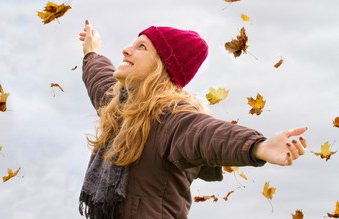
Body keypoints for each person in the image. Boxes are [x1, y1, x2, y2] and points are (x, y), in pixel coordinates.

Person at [78, 20, 308, 219]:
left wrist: (256, 146)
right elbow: (100, 81)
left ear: (162, 67)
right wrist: (91, 52)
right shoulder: (121, 109)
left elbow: (206, 135)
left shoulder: (170, 119)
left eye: (142, 47)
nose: (126, 50)